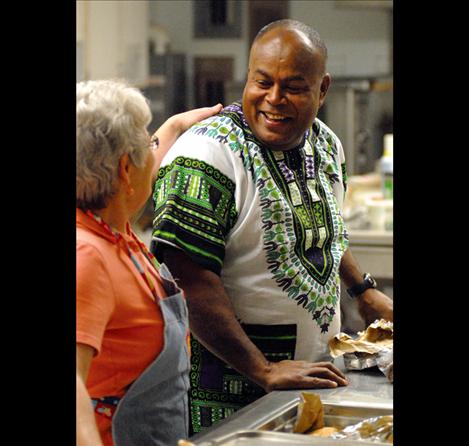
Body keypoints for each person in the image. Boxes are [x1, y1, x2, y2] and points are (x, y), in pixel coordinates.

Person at [150, 19, 394, 435]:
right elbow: (188, 277)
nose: (274, 99)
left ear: (322, 89)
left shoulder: (326, 143)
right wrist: (262, 369)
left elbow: (326, 229)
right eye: (262, 82)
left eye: (294, 87)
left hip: (310, 382)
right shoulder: (207, 154)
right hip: (229, 396)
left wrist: (362, 289)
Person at [76, 78, 222, 446]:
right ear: (126, 169)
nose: (154, 153)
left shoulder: (113, 223)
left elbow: (139, 178)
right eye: (148, 144)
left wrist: (173, 127)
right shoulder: (88, 256)